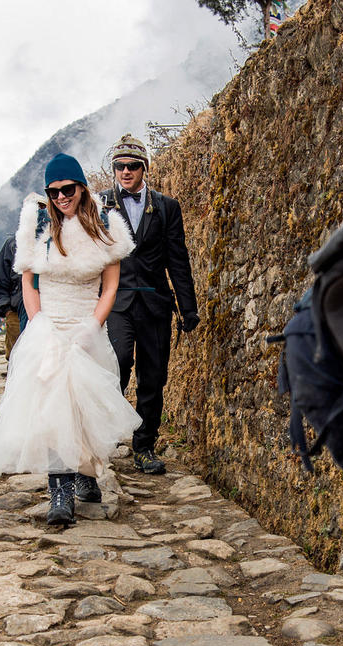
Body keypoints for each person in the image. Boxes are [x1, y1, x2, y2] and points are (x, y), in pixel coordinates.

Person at [0, 153, 140, 526]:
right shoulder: (37, 228)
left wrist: (92, 326)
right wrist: (39, 326)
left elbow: (110, 285)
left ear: (81, 187)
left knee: (83, 406)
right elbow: (28, 281)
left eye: (67, 189)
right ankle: (60, 492)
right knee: (53, 408)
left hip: (87, 326)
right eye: (53, 192)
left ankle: (86, 473)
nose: (60, 198)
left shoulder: (106, 228)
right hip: (49, 326)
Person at [98, 134, 199, 476]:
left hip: (155, 302)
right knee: (119, 362)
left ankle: (144, 445)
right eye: (119, 166)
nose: (125, 171)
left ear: (144, 168)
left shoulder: (167, 207)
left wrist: (188, 308)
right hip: (117, 302)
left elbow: (178, 260)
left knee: (154, 376)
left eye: (132, 165)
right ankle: (107, 433)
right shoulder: (100, 205)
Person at [0, 234, 27, 339]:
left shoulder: (67, 241)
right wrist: (8, 311)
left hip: (59, 318)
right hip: (17, 313)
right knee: (17, 354)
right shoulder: (14, 244)